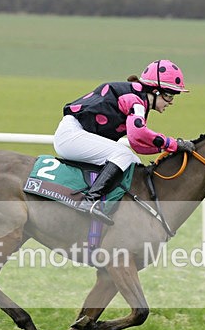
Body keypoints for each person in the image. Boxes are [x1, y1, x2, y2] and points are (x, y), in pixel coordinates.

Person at [53, 59, 195, 225]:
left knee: (133, 160)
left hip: (77, 134)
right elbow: (138, 133)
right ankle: (89, 201)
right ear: (155, 91)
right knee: (122, 153)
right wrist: (173, 144)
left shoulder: (139, 98)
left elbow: (138, 145)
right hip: (71, 135)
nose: (171, 102)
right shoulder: (136, 101)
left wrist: (170, 149)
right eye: (169, 95)